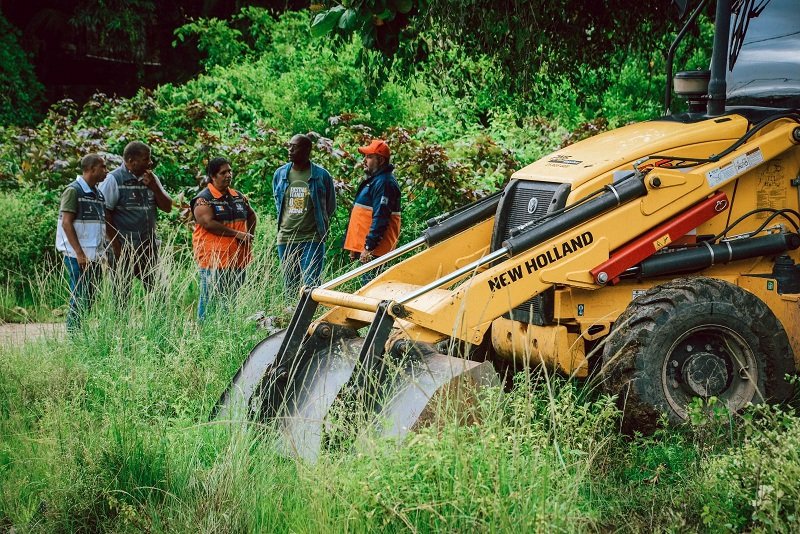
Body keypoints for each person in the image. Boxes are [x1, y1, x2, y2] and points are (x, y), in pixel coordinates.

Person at [99, 141, 172, 293]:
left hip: (148, 246)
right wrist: (116, 246)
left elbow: (167, 207)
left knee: (159, 291)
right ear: (131, 161)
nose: (150, 162)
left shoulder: (151, 179)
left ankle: (157, 317)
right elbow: (103, 214)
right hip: (123, 247)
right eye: (146, 159)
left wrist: (155, 187)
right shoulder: (113, 179)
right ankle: (122, 318)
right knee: (122, 294)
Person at [191, 157, 257, 320]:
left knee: (231, 300)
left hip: (238, 258)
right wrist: (237, 234)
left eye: (230, 171)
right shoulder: (203, 199)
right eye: (223, 172)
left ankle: (226, 328)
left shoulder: (238, 196)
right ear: (213, 176)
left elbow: (251, 215)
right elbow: (207, 223)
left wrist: (250, 236)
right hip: (213, 259)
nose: (228, 175)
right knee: (209, 299)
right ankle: (203, 332)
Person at [272, 134, 336, 295]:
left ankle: (310, 319)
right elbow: (278, 203)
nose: (290, 150)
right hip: (286, 238)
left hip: (312, 238)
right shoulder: (280, 174)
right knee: (290, 287)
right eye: (289, 146)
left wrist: (319, 224)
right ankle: (292, 317)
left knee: (311, 286)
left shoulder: (321, 175)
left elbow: (330, 206)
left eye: (295, 146)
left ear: (307, 150)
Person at [55, 153, 108, 332]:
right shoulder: (73, 190)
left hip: (94, 255)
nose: (106, 171)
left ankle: (80, 332)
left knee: (91, 296)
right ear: (92, 169)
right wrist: (79, 253)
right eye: (103, 167)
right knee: (79, 295)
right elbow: (66, 223)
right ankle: (74, 335)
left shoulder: (98, 194)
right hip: (77, 255)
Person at [343, 139, 401, 284]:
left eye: (369, 157)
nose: (364, 160)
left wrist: (368, 247)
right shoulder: (377, 180)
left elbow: (381, 218)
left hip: (376, 252)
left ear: (380, 160)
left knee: (372, 292)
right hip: (371, 251)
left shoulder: (384, 183)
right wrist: (356, 248)